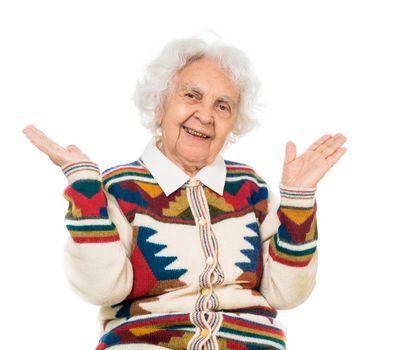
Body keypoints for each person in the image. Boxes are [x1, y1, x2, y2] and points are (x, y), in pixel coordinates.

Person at [23, 37, 347, 350]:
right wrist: (84, 188)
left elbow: (287, 294)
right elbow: (100, 288)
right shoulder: (120, 188)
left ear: (234, 123)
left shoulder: (251, 189)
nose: (205, 116)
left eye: (223, 106)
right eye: (192, 96)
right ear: (159, 105)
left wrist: (298, 199)